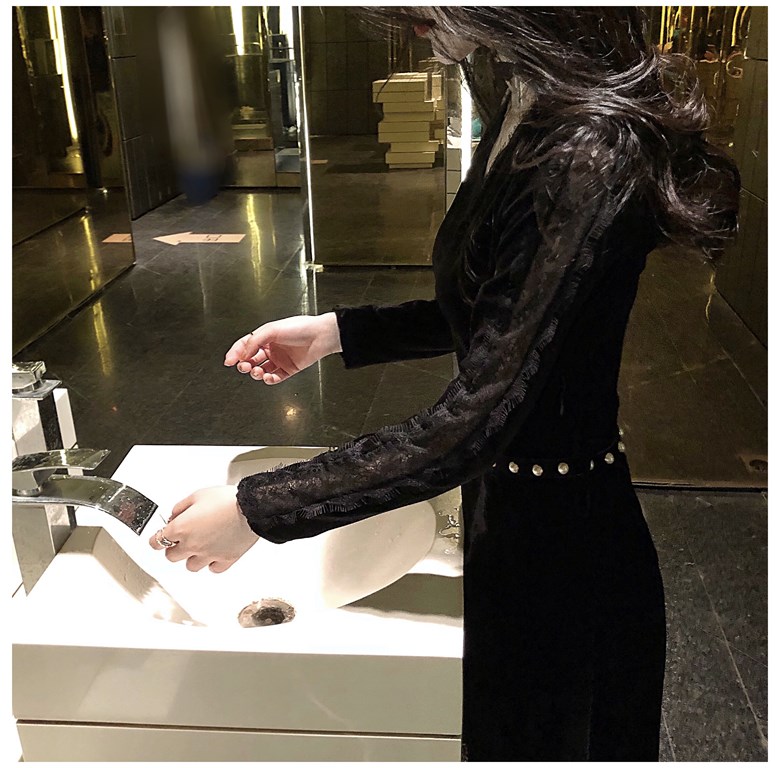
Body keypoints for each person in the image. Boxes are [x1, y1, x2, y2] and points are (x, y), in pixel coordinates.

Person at [149, 7, 739, 761]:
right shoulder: (530, 101)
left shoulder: (586, 148)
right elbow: (501, 309)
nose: (408, 17)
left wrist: (256, 509)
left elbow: (478, 417)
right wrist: (338, 332)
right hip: (520, 522)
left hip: (567, 557)